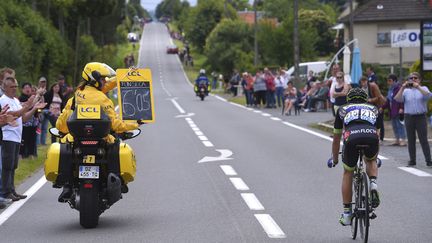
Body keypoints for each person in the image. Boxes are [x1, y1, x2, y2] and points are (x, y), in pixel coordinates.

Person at [56, 62, 140, 202]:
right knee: (116, 145)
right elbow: (116, 124)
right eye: (102, 79)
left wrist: (62, 129)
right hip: (102, 139)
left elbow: (61, 125)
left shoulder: (77, 96)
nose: (104, 82)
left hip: (76, 139)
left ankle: (67, 185)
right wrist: (134, 124)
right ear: (95, 80)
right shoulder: (103, 99)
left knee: (65, 146)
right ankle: (117, 180)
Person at [329, 88, 381, 226]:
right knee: (370, 160)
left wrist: (334, 158)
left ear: (348, 99)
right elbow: (378, 135)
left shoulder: (342, 109)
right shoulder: (374, 108)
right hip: (371, 135)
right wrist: (375, 156)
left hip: (352, 137)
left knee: (348, 172)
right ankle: (373, 184)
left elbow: (336, 138)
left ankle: (347, 214)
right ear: (365, 99)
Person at [0, 77, 46, 201]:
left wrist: (34, 108)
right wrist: (28, 105)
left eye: (16, 86)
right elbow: (14, 114)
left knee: (13, 165)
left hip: (16, 137)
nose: (15, 89)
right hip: (7, 136)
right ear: (5, 88)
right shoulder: (3, 100)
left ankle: (11, 190)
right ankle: (5, 191)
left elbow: (23, 118)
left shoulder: (15, 100)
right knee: (7, 165)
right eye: (12, 87)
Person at [394, 72, 432, 166]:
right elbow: (397, 99)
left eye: (415, 78)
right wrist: (402, 87)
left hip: (420, 117)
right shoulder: (406, 91)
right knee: (411, 139)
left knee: (423, 139)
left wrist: (417, 87)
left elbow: (428, 95)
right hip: (409, 117)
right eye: (411, 78)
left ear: (419, 80)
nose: (413, 79)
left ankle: (428, 160)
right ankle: (412, 160)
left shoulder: (423, 89)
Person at [382, 74, 406, 146]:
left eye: (390, 81)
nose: (388, 82)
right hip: (392, 110)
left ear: (395, 81)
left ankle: (403, 140)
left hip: (398, 110)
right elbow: (388, 100)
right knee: (394, 125)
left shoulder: (399, 88)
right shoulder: (390, 89)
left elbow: (402, 98)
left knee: (400, 125)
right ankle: (397, 139)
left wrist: (402, 108)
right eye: (388, 81)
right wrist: (382, 107)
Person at [18, 83, 39, 158]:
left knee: (32, 138)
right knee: (24, 138)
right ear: (22, 89)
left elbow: (38, 103)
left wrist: (39, 95)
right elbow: (29, 106)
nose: (27, 89)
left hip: (33, 121)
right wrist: (36, 97)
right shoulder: (21, 98)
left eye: (29, 87)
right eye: (25, 87)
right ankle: (21, 155)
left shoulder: (31, 97)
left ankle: (31, 154)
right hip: (25, 122)